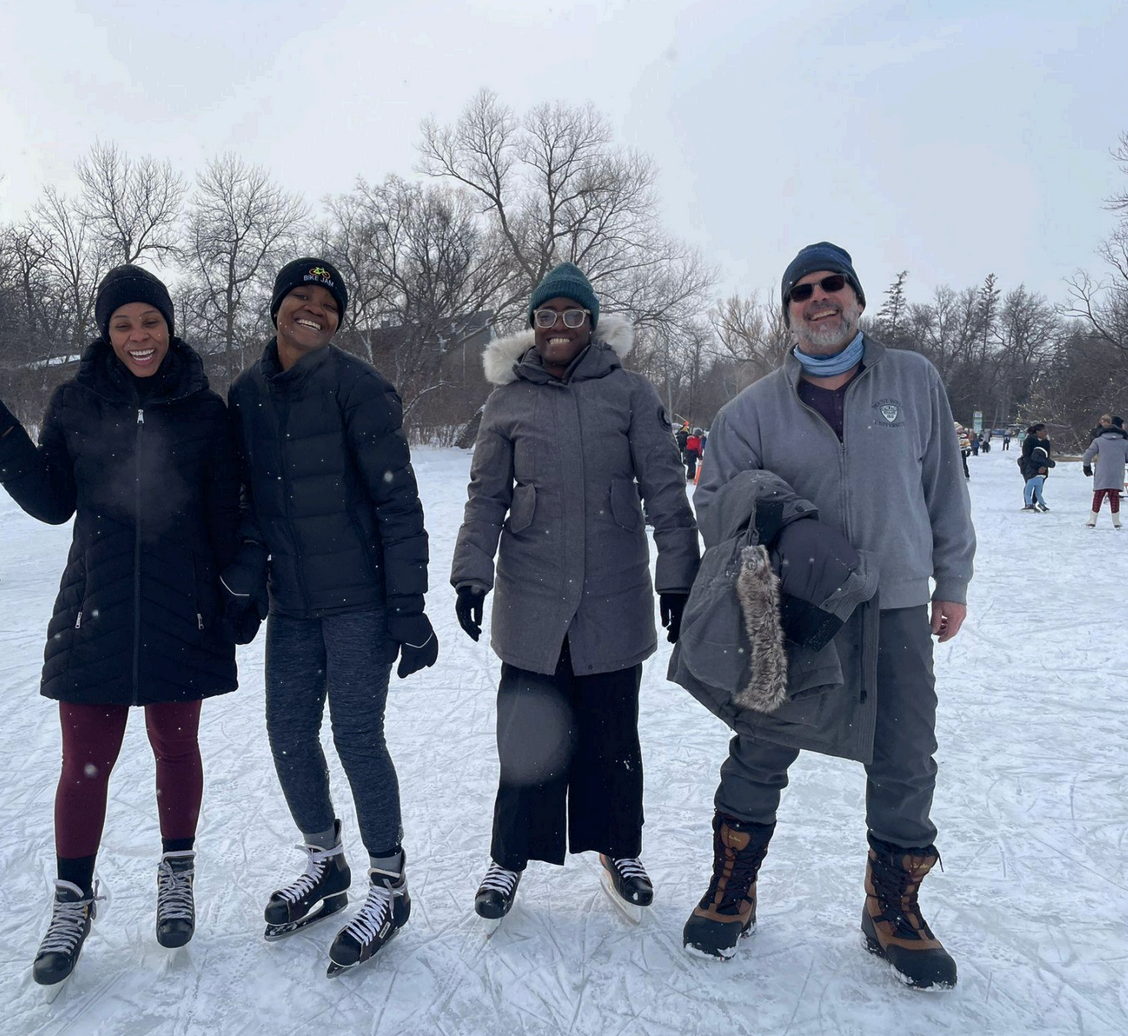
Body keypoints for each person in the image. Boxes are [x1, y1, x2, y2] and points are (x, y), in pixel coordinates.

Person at [670, 242, 975, 990]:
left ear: (856, 297)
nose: (818, 299)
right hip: (790, 612)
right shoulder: (749, 412)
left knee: (906, 757)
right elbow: (715, 505)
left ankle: (891, 910)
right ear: (788, 313)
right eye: (801, 292)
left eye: (831, 285)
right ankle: (732, 891)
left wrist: (952, 581)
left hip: (898, 604)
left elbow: (943, 489)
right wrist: (784, 516)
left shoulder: (914, 380)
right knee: (761, 746)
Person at [0, 264, 251, 985]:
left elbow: (225, 512)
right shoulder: (76, 403)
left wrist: (240, 588)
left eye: (149, 321)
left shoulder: (205, 411)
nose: (138, 336)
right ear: (106, 333)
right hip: (95, 610)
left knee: (177, 748)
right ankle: (73, 900)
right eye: (123, 324)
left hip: (183, 609)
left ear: (169, 325)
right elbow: (52, 502)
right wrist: (0, 427)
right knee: (85, 765)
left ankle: (177, 874)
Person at [451, 262, 700, 922]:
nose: (558, 327)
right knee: (526, 737)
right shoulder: (507, 400)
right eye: (546, 316)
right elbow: (486, 497)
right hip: (531, 598)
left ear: (590, 323)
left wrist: (678, 575)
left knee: (612, 737)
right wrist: (471, 572)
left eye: (571, 315)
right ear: (532, 326)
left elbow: (667, 493)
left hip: (612, 598)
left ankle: (620, 849)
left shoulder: (629, 394)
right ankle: (508, 858)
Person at [227, 257, 437, 977]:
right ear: (278, 308)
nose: (311, 310)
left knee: (354, 735)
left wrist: (407, 607)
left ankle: (388, 885)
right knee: (287, 733)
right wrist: (245, 589)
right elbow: (249, 504)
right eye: (300, 298)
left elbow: (397, 504)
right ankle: (326, 861)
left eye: (326, 302)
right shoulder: (248, 395)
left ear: (339, 319)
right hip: (292, 605)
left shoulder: (361, 389)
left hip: (360, 602)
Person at [1083, 419, 1127, 527]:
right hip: (1117, 472)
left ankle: (1092, 520)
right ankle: (1116, 521)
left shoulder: (1098, 441)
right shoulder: (1125, 443)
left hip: (1102, 472)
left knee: (1098, 495)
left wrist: (1086, 466)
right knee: (1114, 496)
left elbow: (1088, 454)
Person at [1019, 423, 1054, 512]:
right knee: (1029, 485)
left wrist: (1044, 466)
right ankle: (1028, 503)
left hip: (1043, 468)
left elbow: (1047, 456)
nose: (1046, 433)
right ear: (1037, 432)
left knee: (1039, 487)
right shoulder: (1029, 440)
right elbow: (1027, 456)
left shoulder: (1046, 442)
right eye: (1044, 431)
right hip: (1029, 467)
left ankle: (1036, 503)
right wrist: (1036, 467)